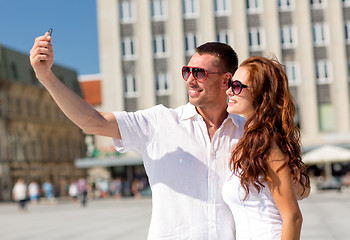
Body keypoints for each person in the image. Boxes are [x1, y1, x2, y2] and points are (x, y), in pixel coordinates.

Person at [30, 32, 308, 239]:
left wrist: (294, 181)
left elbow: (295, 195)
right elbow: (93, 122)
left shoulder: (249, 134)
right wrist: (47, 78)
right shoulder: (159, 122)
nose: (189, 79)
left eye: (198, 72)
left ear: (226, 81)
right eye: (187, 71)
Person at [223, 56, 310, 239]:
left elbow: (293, 217)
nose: (229, 91)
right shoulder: (250, 143)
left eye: (237, 86)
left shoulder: (267, 146)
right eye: (231, 84)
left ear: (260, 95)